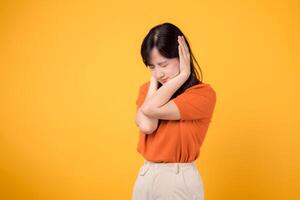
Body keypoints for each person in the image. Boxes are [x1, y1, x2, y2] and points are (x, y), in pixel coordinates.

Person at [132, 22, 217, 200]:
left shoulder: (202, 94)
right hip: (146, 175)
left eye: (163, 64)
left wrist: (184, 75)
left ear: (182, 55)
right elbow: (148, 126)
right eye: (152, 67)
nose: (159, 74)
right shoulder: (148, 90)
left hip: (177, 177)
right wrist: (154, 82)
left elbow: (149, 109)